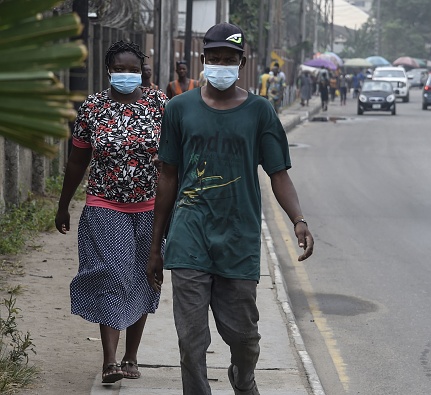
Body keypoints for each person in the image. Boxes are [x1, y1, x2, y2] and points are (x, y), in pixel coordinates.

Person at [146, 22, 314, 395]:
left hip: (239, 237)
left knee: (243, 338)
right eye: (215, 58)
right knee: (191, 341)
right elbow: (168, 178)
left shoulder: (260, 112)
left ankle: (243, 376)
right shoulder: (178, 109)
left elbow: (279, 174)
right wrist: (156, 246)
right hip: (189, 235)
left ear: (242, 62)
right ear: (203, 60)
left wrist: (298, 220)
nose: (221, 64)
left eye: (229, 59)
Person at [54, 40, 167, 384]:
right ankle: (109, 361)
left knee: (143, 278)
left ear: (143, 71)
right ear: (108, 70)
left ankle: (132, 356)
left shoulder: (161, 105)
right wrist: (63, 204)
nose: (126, 74)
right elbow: (77, 160)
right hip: (105, 205)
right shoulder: (93, 107)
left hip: (150, 207)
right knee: (112, 276)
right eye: (120, 68)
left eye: (133, 69)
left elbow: (175, 160)